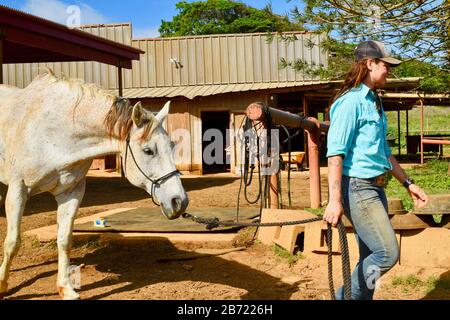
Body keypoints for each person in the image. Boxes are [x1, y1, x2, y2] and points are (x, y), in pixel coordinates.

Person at [323, 40, 428, 300]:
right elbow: (335, 154)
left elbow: (384, 153)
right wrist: (334, 201)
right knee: (387, 253)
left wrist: (408, 183)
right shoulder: (350, 103)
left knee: (370, 257)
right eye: (385, 65)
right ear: (370, 64)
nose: (389, 71)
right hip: (358, 187)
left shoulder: (374, 102)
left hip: (375, 186)